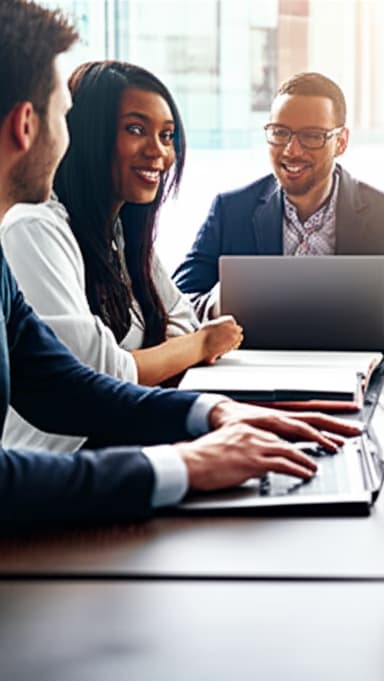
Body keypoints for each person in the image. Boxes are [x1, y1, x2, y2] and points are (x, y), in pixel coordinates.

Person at [0, 0, 359, 528]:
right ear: (27, 125)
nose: (69, 136)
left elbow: (63, 384)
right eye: (65, 116)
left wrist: (212, 413)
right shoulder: (32, 229)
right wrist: (183, 464)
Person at [0, 60, 243, 453]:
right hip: (63, 460)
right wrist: (198, 346)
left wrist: (147, 359)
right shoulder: (34, 226)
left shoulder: (118, 231)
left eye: (167, 136)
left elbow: (180, 319)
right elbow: (95, 376)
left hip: (119, 439)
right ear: (87, 134)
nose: (158, 152)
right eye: (135, 129)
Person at [173, 72, 384, 342]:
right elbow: (177, 307)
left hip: (356, 372)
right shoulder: (230, 212)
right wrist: (220, 302)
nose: (291, 150)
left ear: (341, 141)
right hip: (248, 371)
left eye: (312, 136)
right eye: (280, 133)